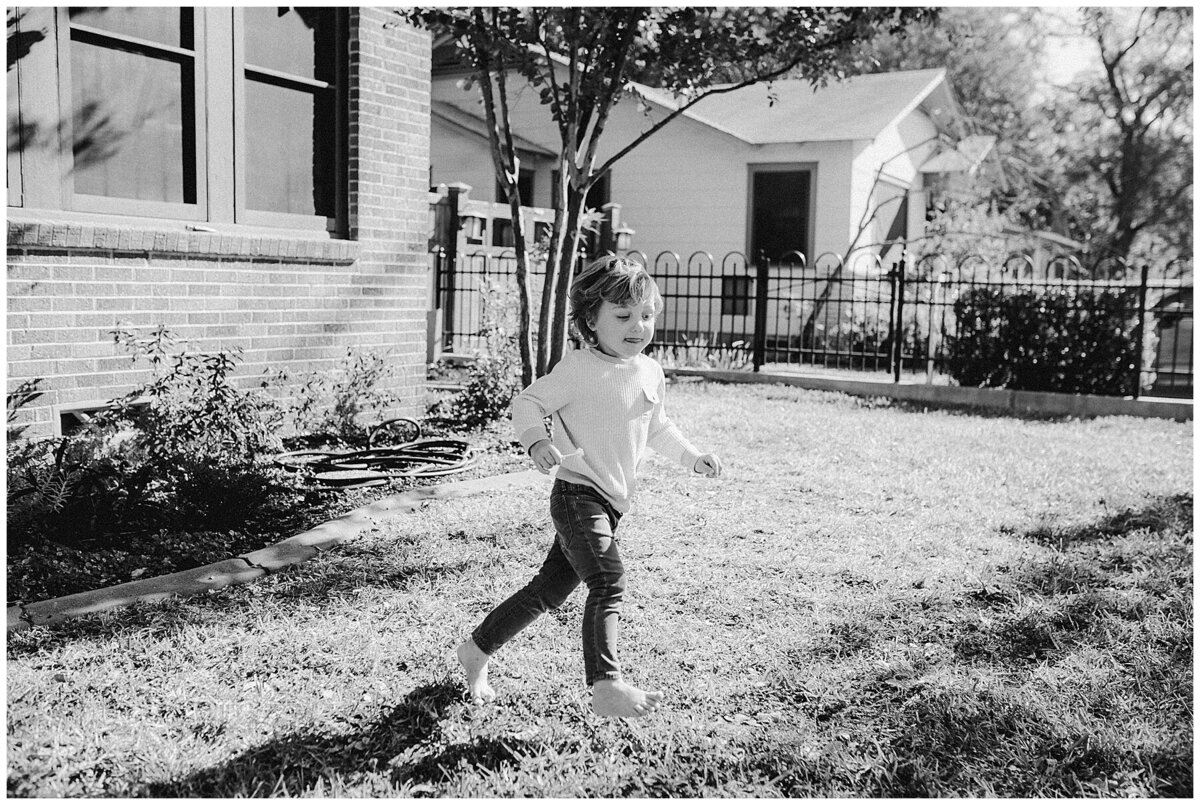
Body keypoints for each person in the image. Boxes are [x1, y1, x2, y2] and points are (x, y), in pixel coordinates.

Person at [455, 255, 722, 719]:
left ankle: (475, 650)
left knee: (548, 591)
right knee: (608, 580)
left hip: (612, 504)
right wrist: (537, 440)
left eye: (646, 314)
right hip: (578, 496)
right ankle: (606, 684)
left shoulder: (649, 371)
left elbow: (657, 427)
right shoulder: (579, 369)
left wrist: (692, 457)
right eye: (622, 316)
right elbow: (527, 402)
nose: (637, 326)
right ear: (590, 323)